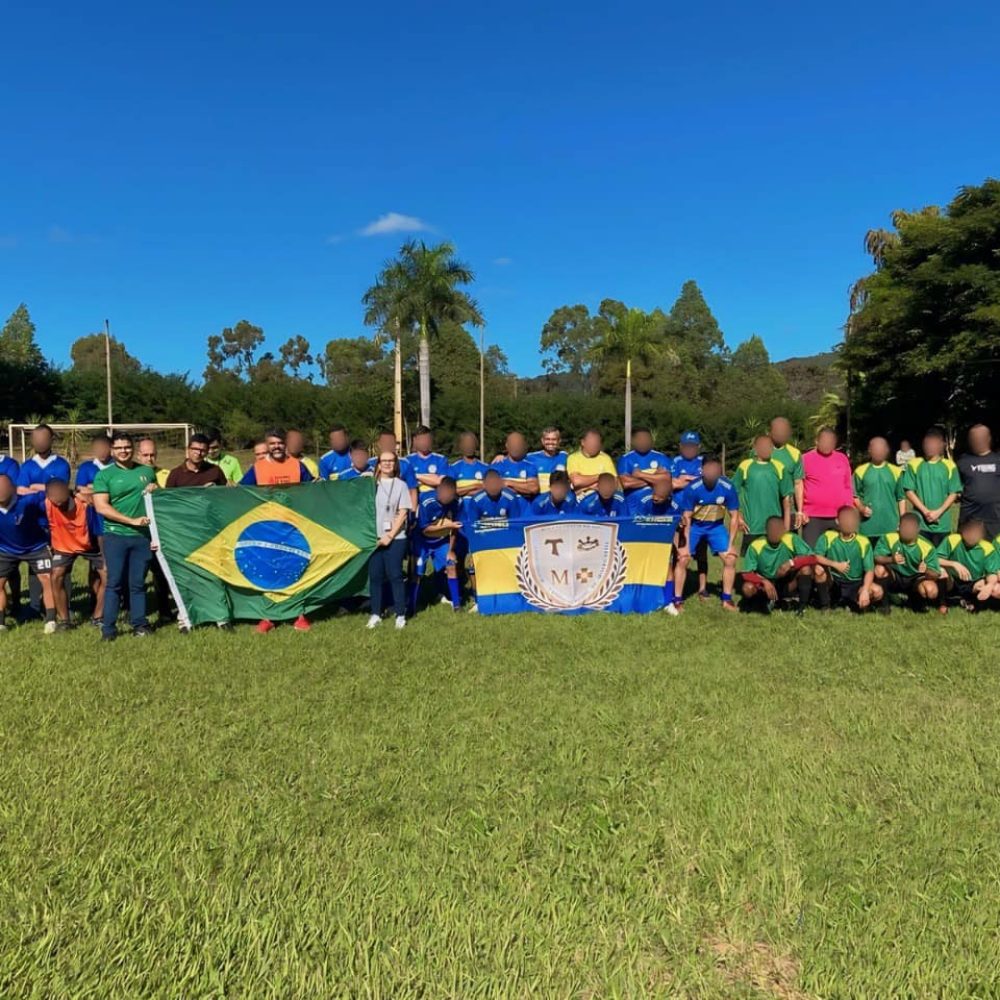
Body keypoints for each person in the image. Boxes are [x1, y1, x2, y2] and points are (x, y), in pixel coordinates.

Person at [91, 433, 158, 641]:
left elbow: (157, 502)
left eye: (127, 447)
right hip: (116, 536)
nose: (123, 451)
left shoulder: (147, 471)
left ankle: (140, 624)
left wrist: (156, 490)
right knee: (114, 583)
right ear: (112, 450)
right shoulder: (104, 475)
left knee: (137, 583)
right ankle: (109, 629)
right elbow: (101, 507)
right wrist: (131, 521)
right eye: (119, 448)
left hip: (142, 537)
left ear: (133, 448)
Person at [675, 457, 739, 610]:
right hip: (695, 526)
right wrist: (685, 545)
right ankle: (677, 600)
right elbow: (687, 518)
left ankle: (726, 600)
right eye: (708, 469)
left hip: (716, 527)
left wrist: (730, 545)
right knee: (683, 559)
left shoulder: (728, 487)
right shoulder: (693, 488)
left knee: (730, 558)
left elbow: (735, 517)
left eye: (715, 469)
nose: (711, 473)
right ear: (702, 471)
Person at [44, 477, 106, 630]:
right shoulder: (45, 503)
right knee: (56, 575)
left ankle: (98, 617)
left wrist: (104, 556)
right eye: (54, 499)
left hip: (90, 546)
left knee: (108, 576)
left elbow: (100, 532)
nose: (58, 503)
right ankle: (65, 621)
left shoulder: (86, 505)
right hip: (64, 547)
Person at [0, 474, 57, 633]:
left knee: (47, 579)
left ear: (12, 488)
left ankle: (51, 619)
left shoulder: (28, 501)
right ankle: (1, 622)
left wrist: (37, 488)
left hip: (36, 547)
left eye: (4, 486)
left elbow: (54, 491)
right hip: (6, 550)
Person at [365, 452, 411, 630]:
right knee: (375, 576)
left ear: (395, 464)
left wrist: (390, 535)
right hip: (373, 538)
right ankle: (375, 613)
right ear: (377, 464)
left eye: (391, 461)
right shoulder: (370, 484)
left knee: (395, 575)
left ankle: (400, 614)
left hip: (396, 538)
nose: (387, 464)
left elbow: (403, 512)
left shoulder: (401, 485)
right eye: (383, 461)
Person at [627, 474, 684, 614]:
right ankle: (637, 598)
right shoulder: (644, 501)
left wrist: (681, 524)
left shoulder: (675, 506)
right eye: (654, 496)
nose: (655, 499)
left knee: (667, 568)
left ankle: (667, 602)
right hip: (642, 541)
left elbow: (678, 524)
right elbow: (637, 524)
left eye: (659, 499)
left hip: (661, 542)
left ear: (668, 497)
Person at [740, 515, 816, 615]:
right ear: (766, 531)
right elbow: (746, 573)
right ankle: (757, 603)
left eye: (778, 529)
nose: (775, 532)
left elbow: (812, 557)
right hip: (765, 585)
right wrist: (763, 581)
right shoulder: (756, 545)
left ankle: (801, 607)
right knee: (747, 588)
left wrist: (791, 563)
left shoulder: (791, 539)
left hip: (786, 582)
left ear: (784, 530)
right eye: (771, 529)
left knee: (806, 569)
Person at [813, 505, 883, 612]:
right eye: (846, 519)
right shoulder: (828, 536)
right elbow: (817, 557)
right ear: (837, 521)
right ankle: (825, 605)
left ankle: (857, 604)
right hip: (834, 581)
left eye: (853, 519)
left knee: (877, 591)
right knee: (819, 569)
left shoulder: (863, 541)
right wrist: (835, 564)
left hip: (855, 583)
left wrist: (864, 590)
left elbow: (869, 570)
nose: (849, 522)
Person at [900, 427, 961, 546]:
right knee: (922, 559)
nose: (929, 446)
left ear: (941, 445)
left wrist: (939, 512)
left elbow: (954, 492)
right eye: (927, 443)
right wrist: (925, 511)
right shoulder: (914, 464)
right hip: (920, 523)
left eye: (933, 443)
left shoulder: (949, 466)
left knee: (940, 559)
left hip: (942, 524)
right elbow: (909, 491)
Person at [732, 435, 793, 554]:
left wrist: (786, 526)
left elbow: (787, 499)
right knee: (751, 565)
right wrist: (738, 517)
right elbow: (733, 493)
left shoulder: (780, 468)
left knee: (773, 562)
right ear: (755, 448)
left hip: (774, 527)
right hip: (752, 527)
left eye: (769, 446)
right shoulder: (745, 466)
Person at [412, 476, 464, 611]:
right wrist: (447, 526)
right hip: (423, 541)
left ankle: (457, 604)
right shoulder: (427, 502)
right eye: (444, 493)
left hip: (442, 541)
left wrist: (451, 550)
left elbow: (455, 528)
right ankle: (411, 604)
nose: (447, 497)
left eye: (450, 495)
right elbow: (425, 529)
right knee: (417, 572)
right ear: (438, 490)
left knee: (451, 564)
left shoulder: (457, 502)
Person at [873, 512, 941, 612]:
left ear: (918, 529)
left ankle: (915, 601)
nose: (908, 530)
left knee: (931, 590)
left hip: (915, 578)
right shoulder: (889, 538)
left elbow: (936, 574)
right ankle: (884, 605)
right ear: (898, 527)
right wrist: (891, 559)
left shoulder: (927, 546)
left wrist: (926, 570)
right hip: (896, 575)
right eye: (905, 527)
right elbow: (876, 557)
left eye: (911, 528)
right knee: (879, 569)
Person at [800, 427, 853, 546]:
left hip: (838, 516)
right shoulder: (805, 459)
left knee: (840, 554)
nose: (827, 444)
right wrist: (800, 511)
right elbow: (798, 486)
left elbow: (847, 486)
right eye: (824, 440)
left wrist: (848, 510)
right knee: (811, 555)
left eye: (831, 441)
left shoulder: (842, 459)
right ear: (816, 441)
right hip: (812, 517)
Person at [935, 519, 1000, 613]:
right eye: (971, 532)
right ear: (964, 531)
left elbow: (992, 572)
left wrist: (989, 585)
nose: (973, 536)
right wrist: (954, 564)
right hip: (953, 580)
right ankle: (943, 603)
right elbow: (934, 560)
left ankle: (973, 602)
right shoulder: (953, 540)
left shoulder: (987, 548)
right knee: (940, 571)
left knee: (987, 585)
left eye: (977, 533)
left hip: (974, 583)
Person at [852, 436, 906, 548]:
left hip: (890, 527)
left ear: (887, 451)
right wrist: (861, 508)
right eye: (875, 449)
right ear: (869, 451)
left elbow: (901, 498)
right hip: (867, 527)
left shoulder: (896, 471)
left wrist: (903, 520)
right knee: (868, 562)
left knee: (888, 561)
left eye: (881, 449)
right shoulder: (860, 471)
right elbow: (854, 496)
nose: (878, 452)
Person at [957, 424, 1000, 538]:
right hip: (969, 517)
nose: (977, 440)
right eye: (974, 438)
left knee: (994, 552)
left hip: (995, 519)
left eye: (980, 437)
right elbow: (955, 487)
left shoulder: (998, 460)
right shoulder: (963, 461)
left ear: (988, 439)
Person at [240, 429, 315, 486]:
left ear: (286, 444)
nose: (276, 446)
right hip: (268, 506)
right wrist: (230, 486)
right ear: (267, 445)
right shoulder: (257, 467)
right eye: (272, 443)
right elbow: (242, 489)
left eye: (280, 443)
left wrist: (319, 483)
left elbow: (311, 488)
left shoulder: (298, 465)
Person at [15, 424, 72, 494]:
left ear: (52, 440)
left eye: (43, 438)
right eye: (36, 439)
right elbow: (20, 490)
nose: (39, 442)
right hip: (31, 505)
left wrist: (33, 486)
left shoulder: (62, 465)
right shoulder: (26, 466)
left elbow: (60, 491)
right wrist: (48, 488)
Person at [767, 416, 805, 514]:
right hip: (764, 506)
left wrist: (800, 511)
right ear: (769, 432)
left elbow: (798, 483)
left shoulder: (795, 453)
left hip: (788, 507)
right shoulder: (757, 452)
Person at [617, 427, 670, 495]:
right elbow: (626, 483)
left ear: (652, 440)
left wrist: (639, 475)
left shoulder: (661, 457)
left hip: (656, 502)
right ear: (633, 441)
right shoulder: (625, 459)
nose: (644, 442)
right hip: (633, 504)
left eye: (646, 439)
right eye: (640, 439)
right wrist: (655, 478)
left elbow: (666, 479)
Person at [567, 429, 617, 498]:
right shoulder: (573, 458)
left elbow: (614, 481)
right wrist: (601, 477)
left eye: (597, 442)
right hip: (581, 500)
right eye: (592, 442)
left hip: (602, 499)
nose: (595, 445)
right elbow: (576, 481)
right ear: (583, 442)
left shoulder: (605, 458)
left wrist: (584, 487)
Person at [165, 434, 229, 487]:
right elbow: (168, 498)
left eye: (202, 450)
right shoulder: (175, 474)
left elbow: (225, 494)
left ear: (207, 452)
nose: (198, 453)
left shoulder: (215, 471)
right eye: (195, 449)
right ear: (188, 449)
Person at [405, 426, 450, 500]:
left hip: (433, 500)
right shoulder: (407, 460)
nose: (424, 442)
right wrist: (430, 478)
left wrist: (416, 476)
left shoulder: (440, 459)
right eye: (421, 439)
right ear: (415, 440)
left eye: (426, 439)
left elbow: (440, 481)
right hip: (412, 499)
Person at [491, 432, 539, 498]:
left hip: (524, 508)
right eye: (512, 444)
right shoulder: (496, 465)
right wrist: (523, 487)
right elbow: (493, 488)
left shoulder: (529, 465)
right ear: (507, 445)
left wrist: (508, 483)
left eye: (518, 444)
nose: (515, 447)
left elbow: (533, 488)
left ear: (523, 445)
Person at [528, 427, 568, 494]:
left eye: (554, 439)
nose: (550, 442)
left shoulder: (564, 456)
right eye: (547, 439)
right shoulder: (531, 457)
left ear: (559, 441)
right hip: (538, 499)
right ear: (542, 441)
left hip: (557, 497)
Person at [450, 432, 489, 497]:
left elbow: (490, 489)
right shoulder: (453, 468)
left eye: (471, 443)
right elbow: (452, 491)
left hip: (480, 506)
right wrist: (475, 486)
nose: (469, 446)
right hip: (462, 506)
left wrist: (464, 491)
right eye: (466, 443)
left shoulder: (486, 467)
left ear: (476, 445)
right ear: (460, 446)